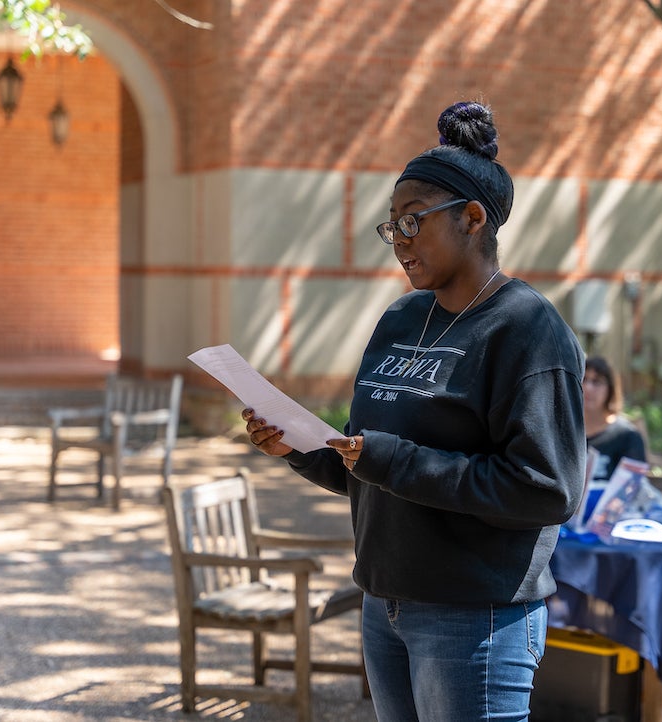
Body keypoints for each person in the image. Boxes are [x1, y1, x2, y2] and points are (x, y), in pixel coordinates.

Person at [241, 101, 586, 722]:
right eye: (390, 226)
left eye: (412, 222)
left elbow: (548, 490)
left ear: (472, 218)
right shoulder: (401, 318)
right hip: (384, 602)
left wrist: (393, 459)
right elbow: (363, 463)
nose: (397, 241)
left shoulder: (527, 330)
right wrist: (296, 446)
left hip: (474, 618)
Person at [576, 356, 647, 523]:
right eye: (584, 379)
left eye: (597, 381)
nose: (588, 387)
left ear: (611, 389)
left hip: (609, 524)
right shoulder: (562, 431)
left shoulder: (627, 436)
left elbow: (631, 489)